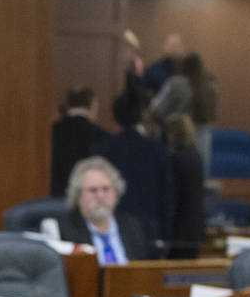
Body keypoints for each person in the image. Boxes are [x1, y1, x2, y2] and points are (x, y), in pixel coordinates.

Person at [94, 88, 172, 248]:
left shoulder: (102, 149)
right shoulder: (157, 150)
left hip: (111, 229)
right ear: (142, 115)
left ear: (115, 116)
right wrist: (167, 234)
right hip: (149, 231)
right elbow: (168, 196)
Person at [60, 156, 154, 263]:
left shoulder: (132, 227)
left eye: (106, 189)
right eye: (93, 190)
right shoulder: (64, 231)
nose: (100, 195)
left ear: (116, 192)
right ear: (78, 195)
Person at [160, 113, 208, 258]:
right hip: (194, 229)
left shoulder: (176, 160)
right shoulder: (196, 157)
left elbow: (173, 198)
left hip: (179, 232)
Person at [49, 85, 103, 199]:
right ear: (92, 104)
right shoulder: (100, 135)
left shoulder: (51, 132)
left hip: (55, 196)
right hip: (88, 197)